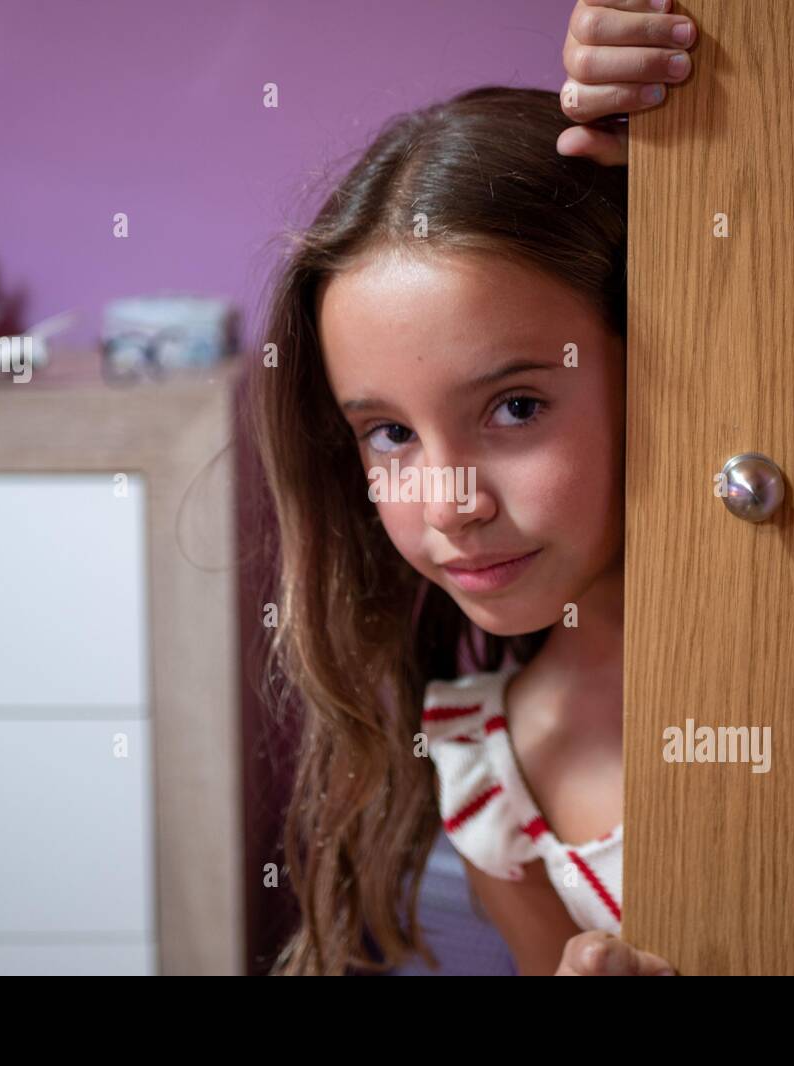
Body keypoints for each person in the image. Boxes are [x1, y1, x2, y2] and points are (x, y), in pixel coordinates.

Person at [246, 0, 697, 976]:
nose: (450, 502)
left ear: (658, 353)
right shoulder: (490, 769)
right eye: (392, 434)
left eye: (516, 407)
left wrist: (709, 110)